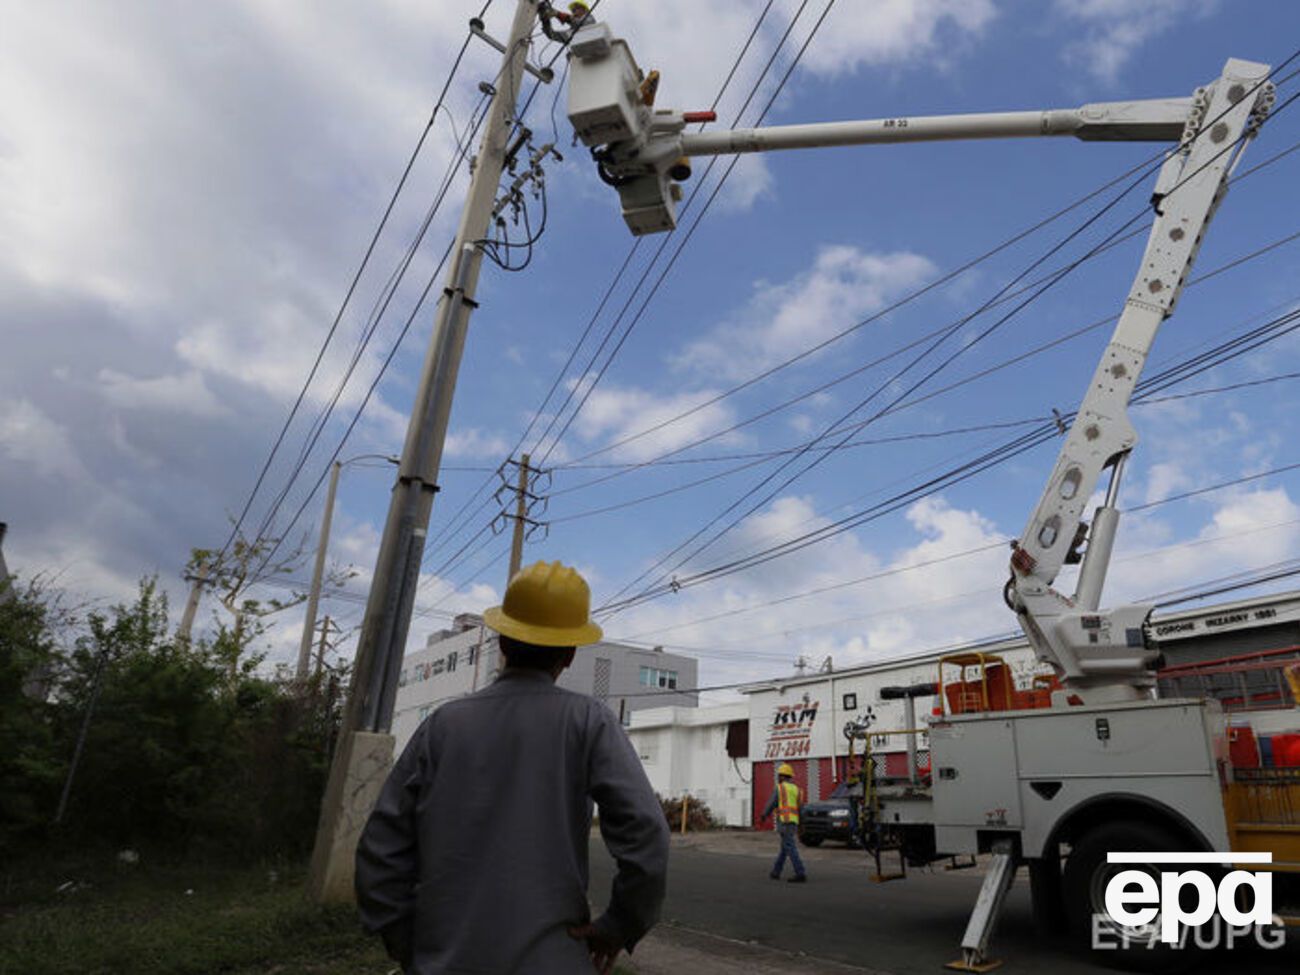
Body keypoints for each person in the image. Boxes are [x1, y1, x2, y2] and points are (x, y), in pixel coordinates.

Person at [355, 560, 670, 974]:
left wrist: (403, 936)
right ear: (571, 654)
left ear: (502, 641)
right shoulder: (589, 722)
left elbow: (380, 848)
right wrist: (619, 925)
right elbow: (647, 832)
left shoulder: (442, 726)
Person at [760, 763, 807, 882]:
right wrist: (802, 825)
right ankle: (776, 871)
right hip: (793, 822)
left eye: (779, 775)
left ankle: (800, 872)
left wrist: (764, 815)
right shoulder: (797, 789)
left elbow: (772, 802)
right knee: (785, 847)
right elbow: (801, 809)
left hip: (784, 821)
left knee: (790, 847)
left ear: (782, 776)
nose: (778, 777)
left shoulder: (780, 788)